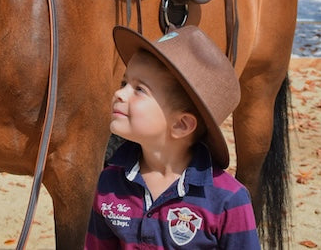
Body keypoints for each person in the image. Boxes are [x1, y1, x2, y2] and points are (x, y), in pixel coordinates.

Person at [85, 25, 261, 249]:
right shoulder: (108, 183)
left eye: (139, 89)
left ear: (181, 124)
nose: (119, 93)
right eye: (123, 83)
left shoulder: (228, 200)